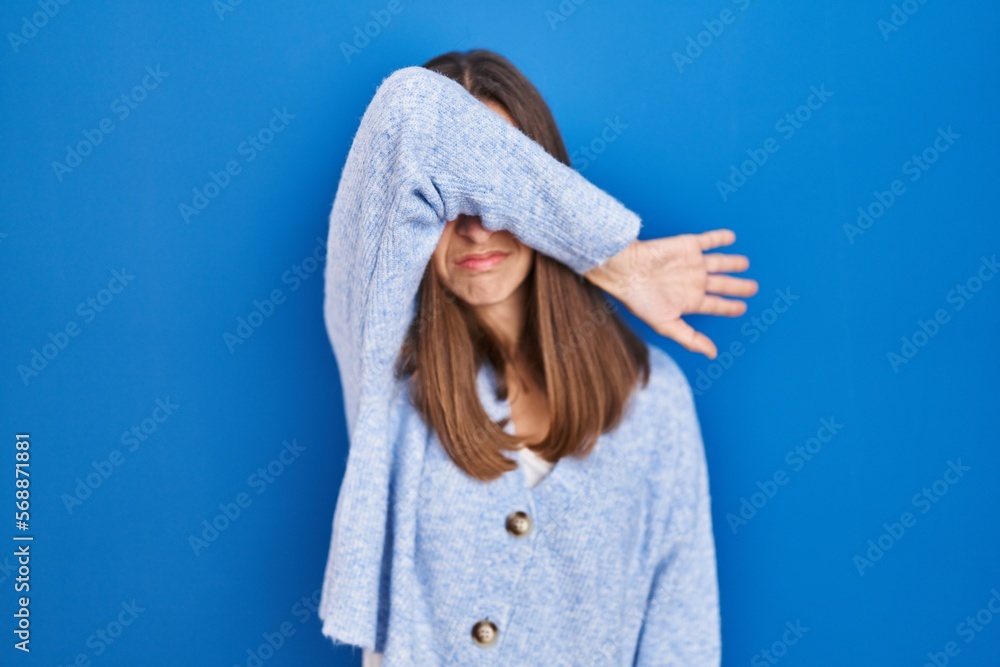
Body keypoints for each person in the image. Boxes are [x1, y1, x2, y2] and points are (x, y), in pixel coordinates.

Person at [319, 49, 757, 666]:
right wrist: (618, 261)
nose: (475, 226)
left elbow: (681, 642)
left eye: (498, 195)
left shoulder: (654, 400)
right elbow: (410, 115)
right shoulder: (388, 383)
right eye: (453, 195)